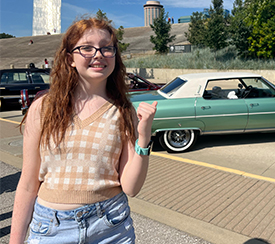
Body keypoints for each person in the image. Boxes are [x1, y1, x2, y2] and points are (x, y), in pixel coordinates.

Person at [10, 17, 157, 244]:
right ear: (70, 58)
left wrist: (144, 138)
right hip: (51, 228)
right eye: (87, 48)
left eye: (107, 48)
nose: (98, 54)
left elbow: (131, 187)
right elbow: (28, 183)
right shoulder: (44, 107)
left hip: (111, 226)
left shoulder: (123, 110)